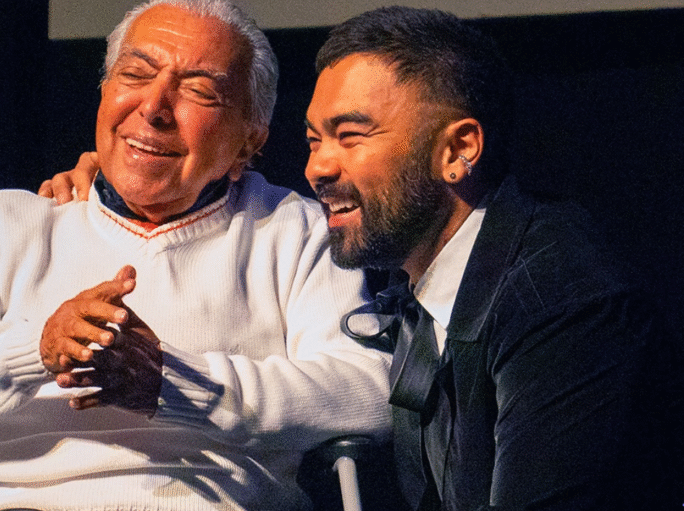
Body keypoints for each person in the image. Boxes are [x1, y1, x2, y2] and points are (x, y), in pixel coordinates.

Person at [47, 6, 684, 511]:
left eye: (352, 136)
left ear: (457, 150)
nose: (318, 168)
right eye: (315, 139)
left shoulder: (561, 303)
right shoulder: (423, 297)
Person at [0, 1, 392, 510]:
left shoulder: (291, 228)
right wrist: (36, 350)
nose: (153, 107)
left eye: (199, 92)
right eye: (135, 75)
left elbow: (370, 390)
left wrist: (178, 383)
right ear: (103, 94)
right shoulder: (5, 223)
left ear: (249, 142)